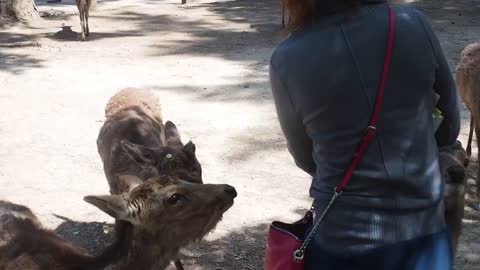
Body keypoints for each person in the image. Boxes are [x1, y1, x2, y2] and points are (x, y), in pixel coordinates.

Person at [269, 0, 460, 269]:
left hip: (340, 240)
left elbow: (306, 159)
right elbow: (449, 129)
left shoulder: (286, 58)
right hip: (424, 230)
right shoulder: (411, 24)